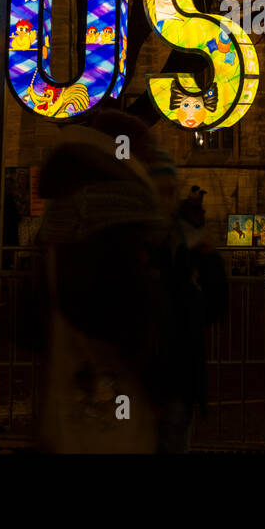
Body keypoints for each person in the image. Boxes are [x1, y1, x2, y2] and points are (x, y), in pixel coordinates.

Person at [27, 126, 177, 453]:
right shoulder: (116, 254)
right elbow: (146, 338)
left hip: (64, 423)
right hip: (118, 428)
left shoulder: (54, 252)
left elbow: (28, 327)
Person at [146, 152, 227, 453]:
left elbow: (214, 305)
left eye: (170, 190)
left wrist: (207, 260)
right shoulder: (135, 240)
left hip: (177, 377)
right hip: (139, 379)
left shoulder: (185, 240)